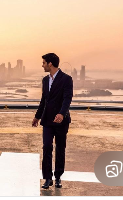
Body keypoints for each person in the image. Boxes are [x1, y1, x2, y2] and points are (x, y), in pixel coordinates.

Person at [34, 53, 72, 189]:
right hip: (47, 120)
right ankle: (47, 178)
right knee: (46, 147)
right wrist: (37, 116)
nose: (42, 65)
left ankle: (58, 177)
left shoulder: (67, 79)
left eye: (44, 62)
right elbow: (44, 100)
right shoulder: (45, 80)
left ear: (50, 63)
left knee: (60, 149)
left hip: (62, 121)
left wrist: (62, 114)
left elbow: (67, 99)